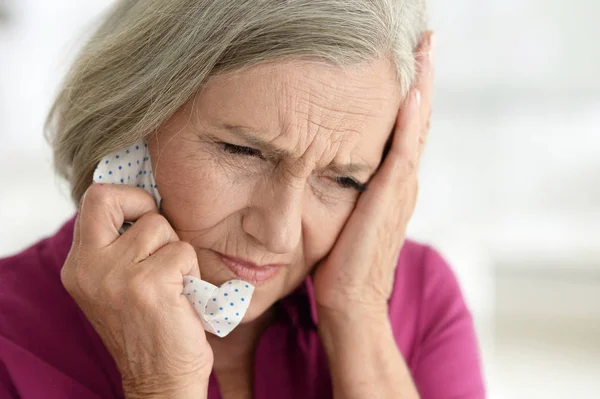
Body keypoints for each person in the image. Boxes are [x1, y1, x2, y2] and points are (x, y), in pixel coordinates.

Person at [0, 1, 485, 398]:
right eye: (244, 151)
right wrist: (163, 385)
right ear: (132, 123)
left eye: (341, 180)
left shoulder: (423, 299)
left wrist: (357, 314)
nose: (279, 233)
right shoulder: (11, 335)